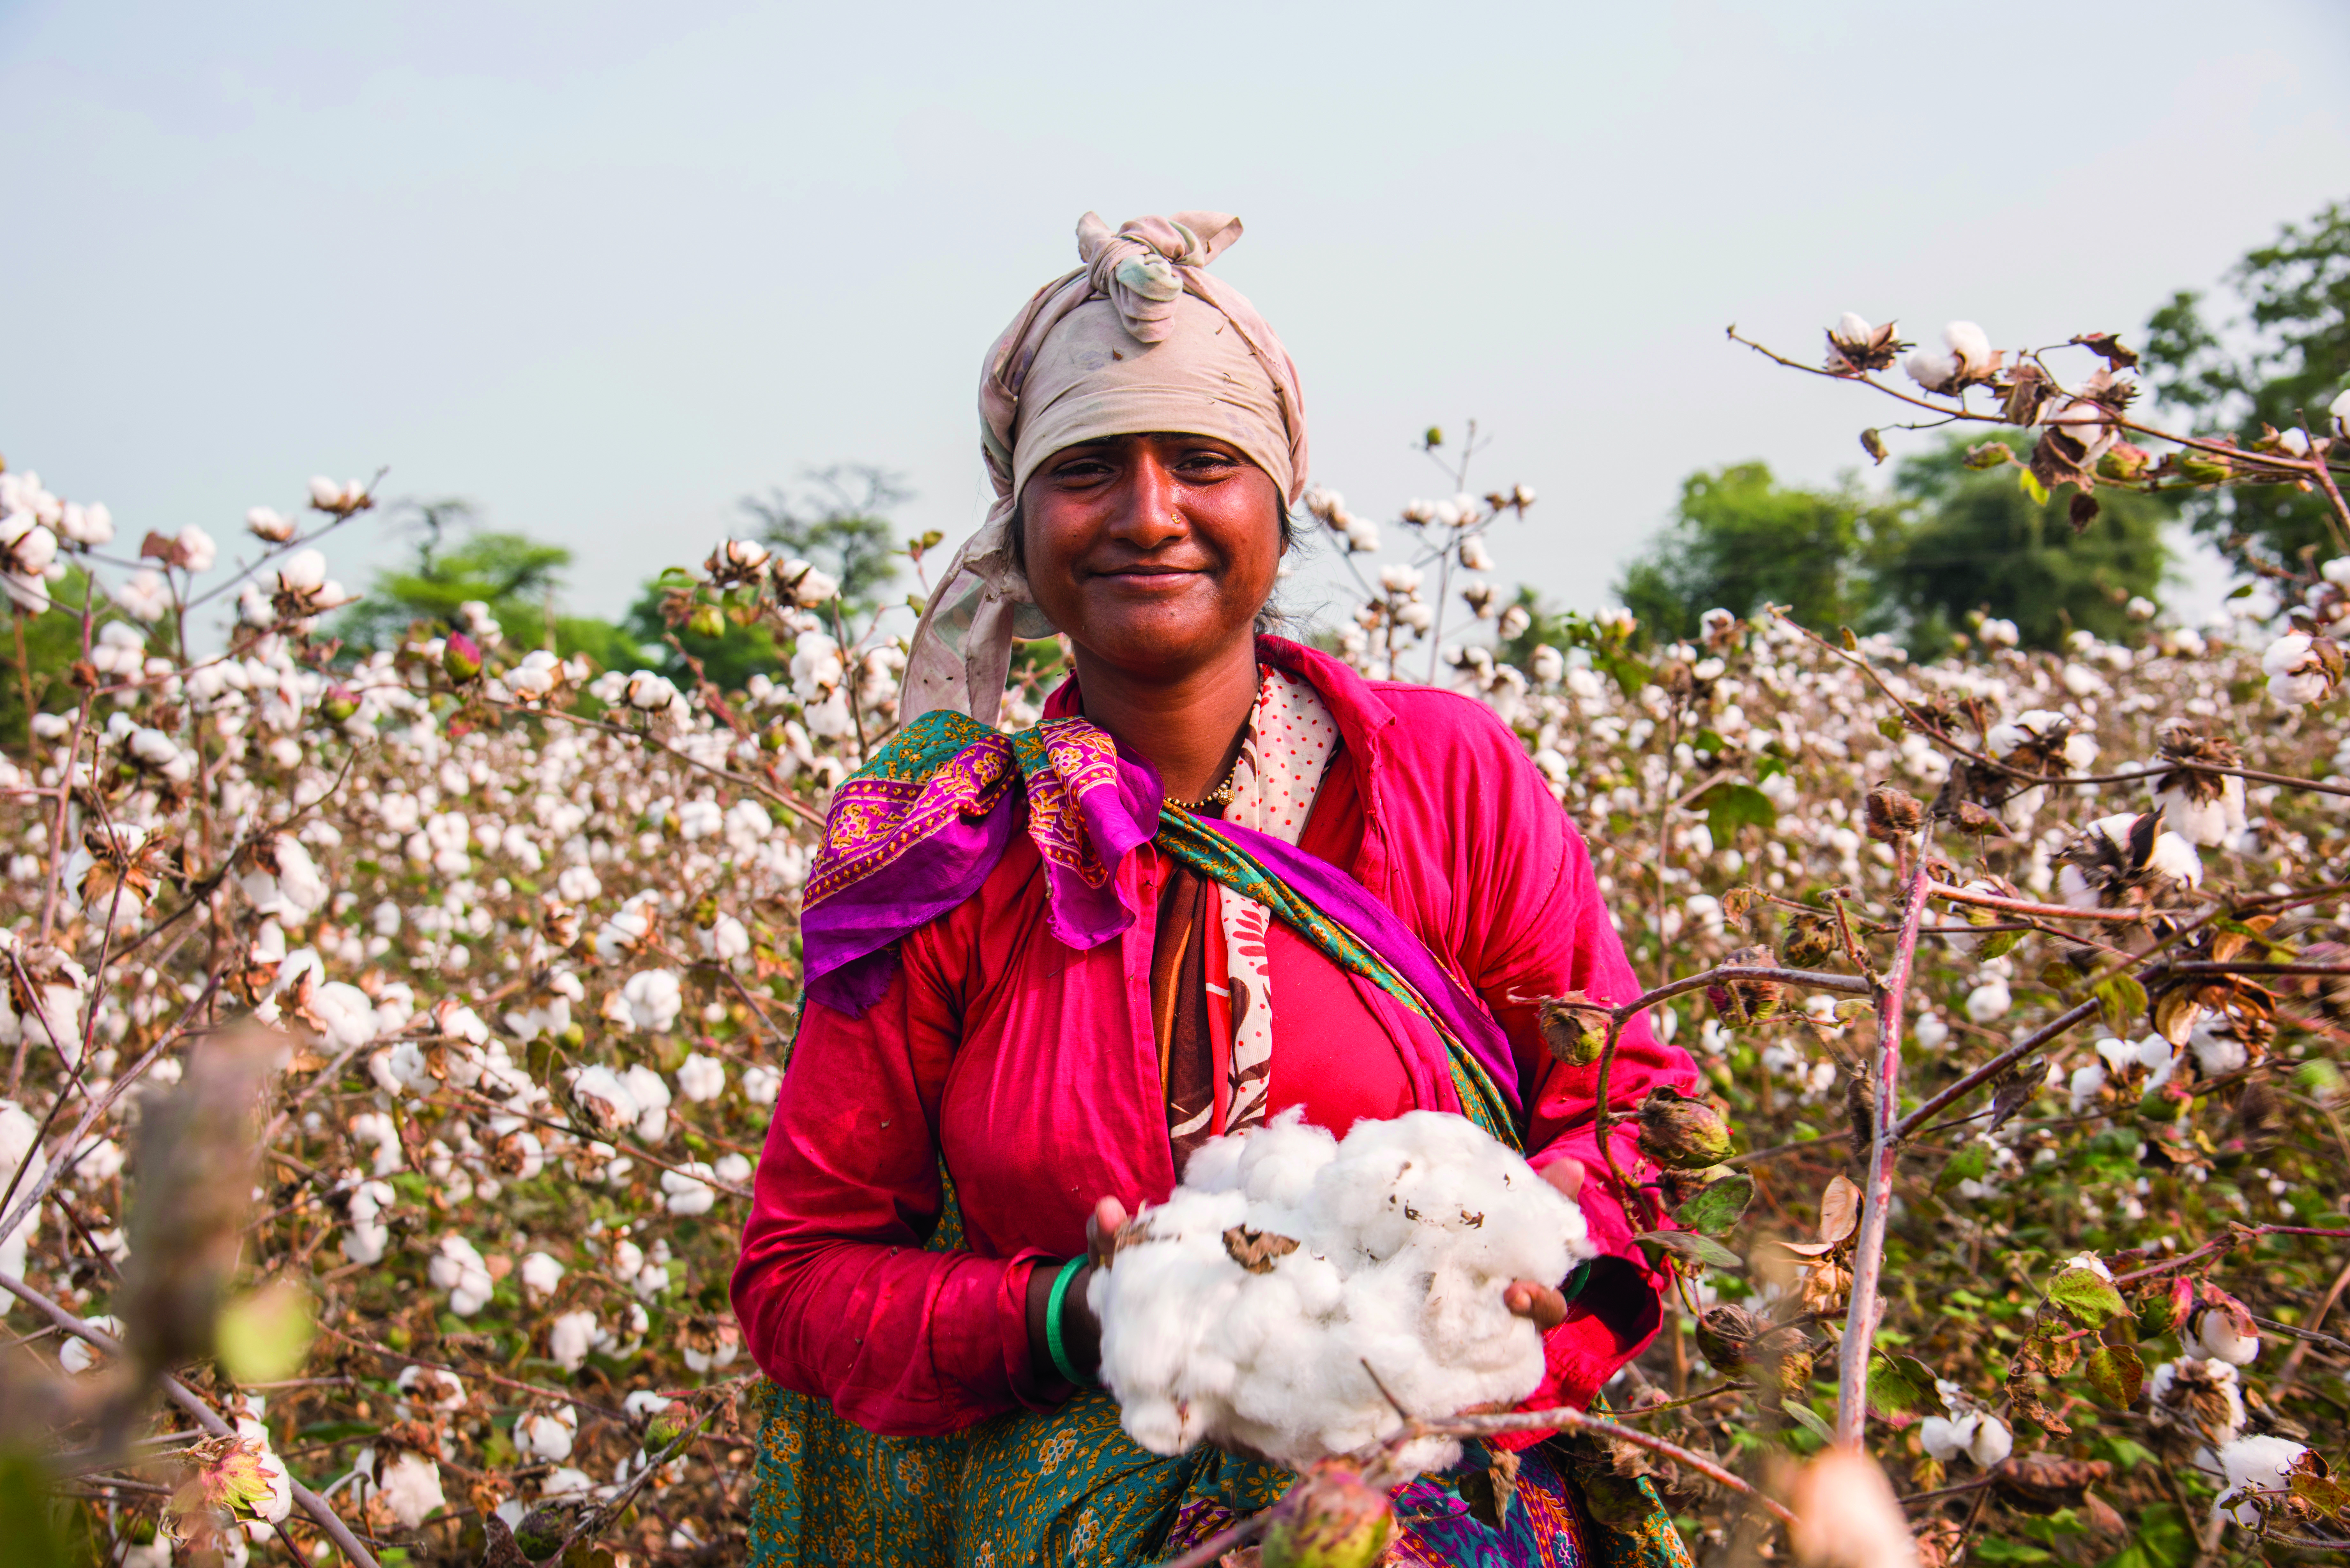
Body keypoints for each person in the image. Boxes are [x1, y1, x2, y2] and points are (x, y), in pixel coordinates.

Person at [733, 211, 1700, 1568]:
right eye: (1085, 472)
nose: (1147, 514)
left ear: (1276, 502)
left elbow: (1624, 1101)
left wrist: (1538, 1280)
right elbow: (804, 1275)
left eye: (1200, 463)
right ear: (1020, 525)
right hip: (1074, 1508)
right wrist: (1080, 1313)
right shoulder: (948, 852)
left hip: (1431, 1469)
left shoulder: (1440, 776)